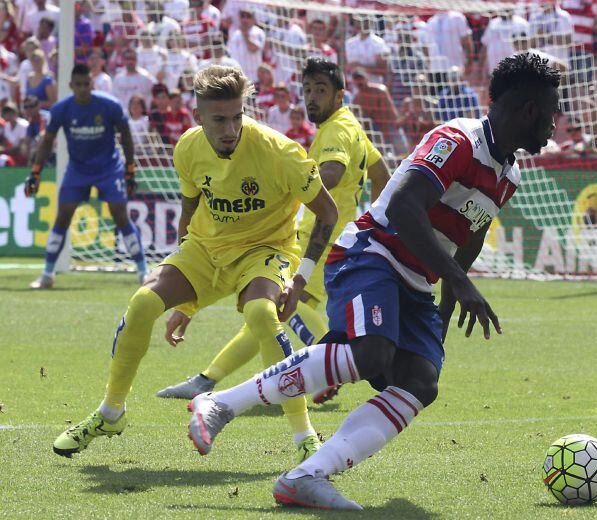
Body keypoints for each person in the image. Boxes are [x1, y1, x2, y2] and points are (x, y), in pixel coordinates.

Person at [185, 53, 561, 510]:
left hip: (417, 282)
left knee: (421, 381)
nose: (554, 125)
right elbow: (403, 207)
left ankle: (308, 475)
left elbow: (470, 238)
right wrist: (460, 283)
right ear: (529, 110)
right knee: (372, 353)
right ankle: (220, 403)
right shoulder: (456, 141)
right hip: (371, 253)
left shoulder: (509, 175)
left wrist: (442, 313)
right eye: (552, 112)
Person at [52, 66, 339, 464]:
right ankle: (110, 413)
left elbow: (328, 212)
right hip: (205, 248)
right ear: (197, 116)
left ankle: (304, 435)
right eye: (219, 119)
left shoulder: (281, 152)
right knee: (142, 304)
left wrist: (300, 278)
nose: (230, 128)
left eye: (237, 116)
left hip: (265, 249)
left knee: (260, 314)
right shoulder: (187, 148)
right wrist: (187, 304)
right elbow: (191, 209)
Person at [157, 58, 390, 406]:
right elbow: (381, 172)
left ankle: (328, 371)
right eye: (307, 90)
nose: (311, 98)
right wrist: (376, 220)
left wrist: (284, 187)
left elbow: (331, 173)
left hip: (319, 238)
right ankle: (209, 379)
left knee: (283, 307)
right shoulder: (350, 124)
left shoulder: (336, 132)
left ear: (339, 94)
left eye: (320, 91)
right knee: (263, 313)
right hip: (340, 235)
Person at [24, 64, 147, 290]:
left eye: (86, 84)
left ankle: (143, 271)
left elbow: (126, 135)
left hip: (108, 168)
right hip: (78, 169)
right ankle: (47, 274)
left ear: (92, 83)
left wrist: (130, 168)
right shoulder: (62, 109)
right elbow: (47, 140)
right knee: (63, 215)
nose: (82, 89)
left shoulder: (109, 105)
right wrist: (36, 171)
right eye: (78, 85)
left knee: (120, 214)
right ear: (71, 85)